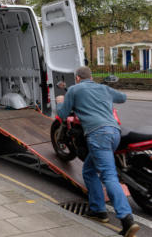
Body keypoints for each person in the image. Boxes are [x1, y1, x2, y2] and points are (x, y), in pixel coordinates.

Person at [56, 66, 139, 237]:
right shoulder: (103, 88)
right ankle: (98, 211)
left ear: (77, 78)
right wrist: (107, 95)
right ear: (91, 77)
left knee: (108, 176)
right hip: (115, 133)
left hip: (98, 134)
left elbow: (63, 113)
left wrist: (60, 102)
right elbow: (122, 98)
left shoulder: (74, 89)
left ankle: (126, 219)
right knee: (89, 170)